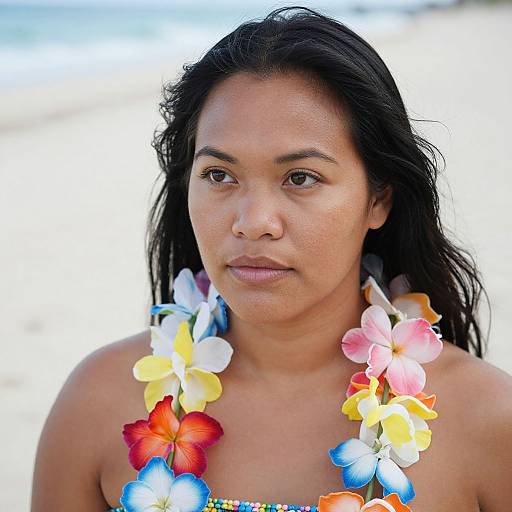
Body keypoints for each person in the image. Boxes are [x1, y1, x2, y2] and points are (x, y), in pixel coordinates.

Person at [31, 6, 512, 512]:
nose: (253, 221)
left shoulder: (487, 420)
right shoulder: (96, 405)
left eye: (301, 177)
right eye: (219, 175)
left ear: (379, 200)